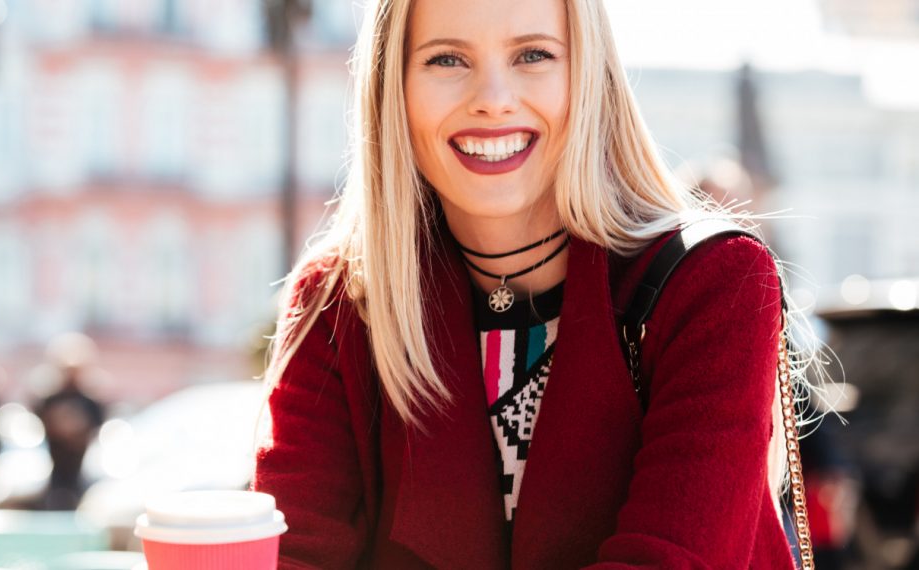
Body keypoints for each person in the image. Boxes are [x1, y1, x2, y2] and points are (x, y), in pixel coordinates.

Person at [252, 0, 819, 567]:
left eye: (533, 55)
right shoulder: (338, 302)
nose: (493, 99)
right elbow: (294, 552)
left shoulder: (711, 284)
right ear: (391, 86)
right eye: (447, 59)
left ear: (589, 76)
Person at [35, 332, 106, 510]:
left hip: (79, 463)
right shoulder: (51, 398)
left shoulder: (89, 400)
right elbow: (41, 419)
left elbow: (97, 424)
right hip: (57, 462)